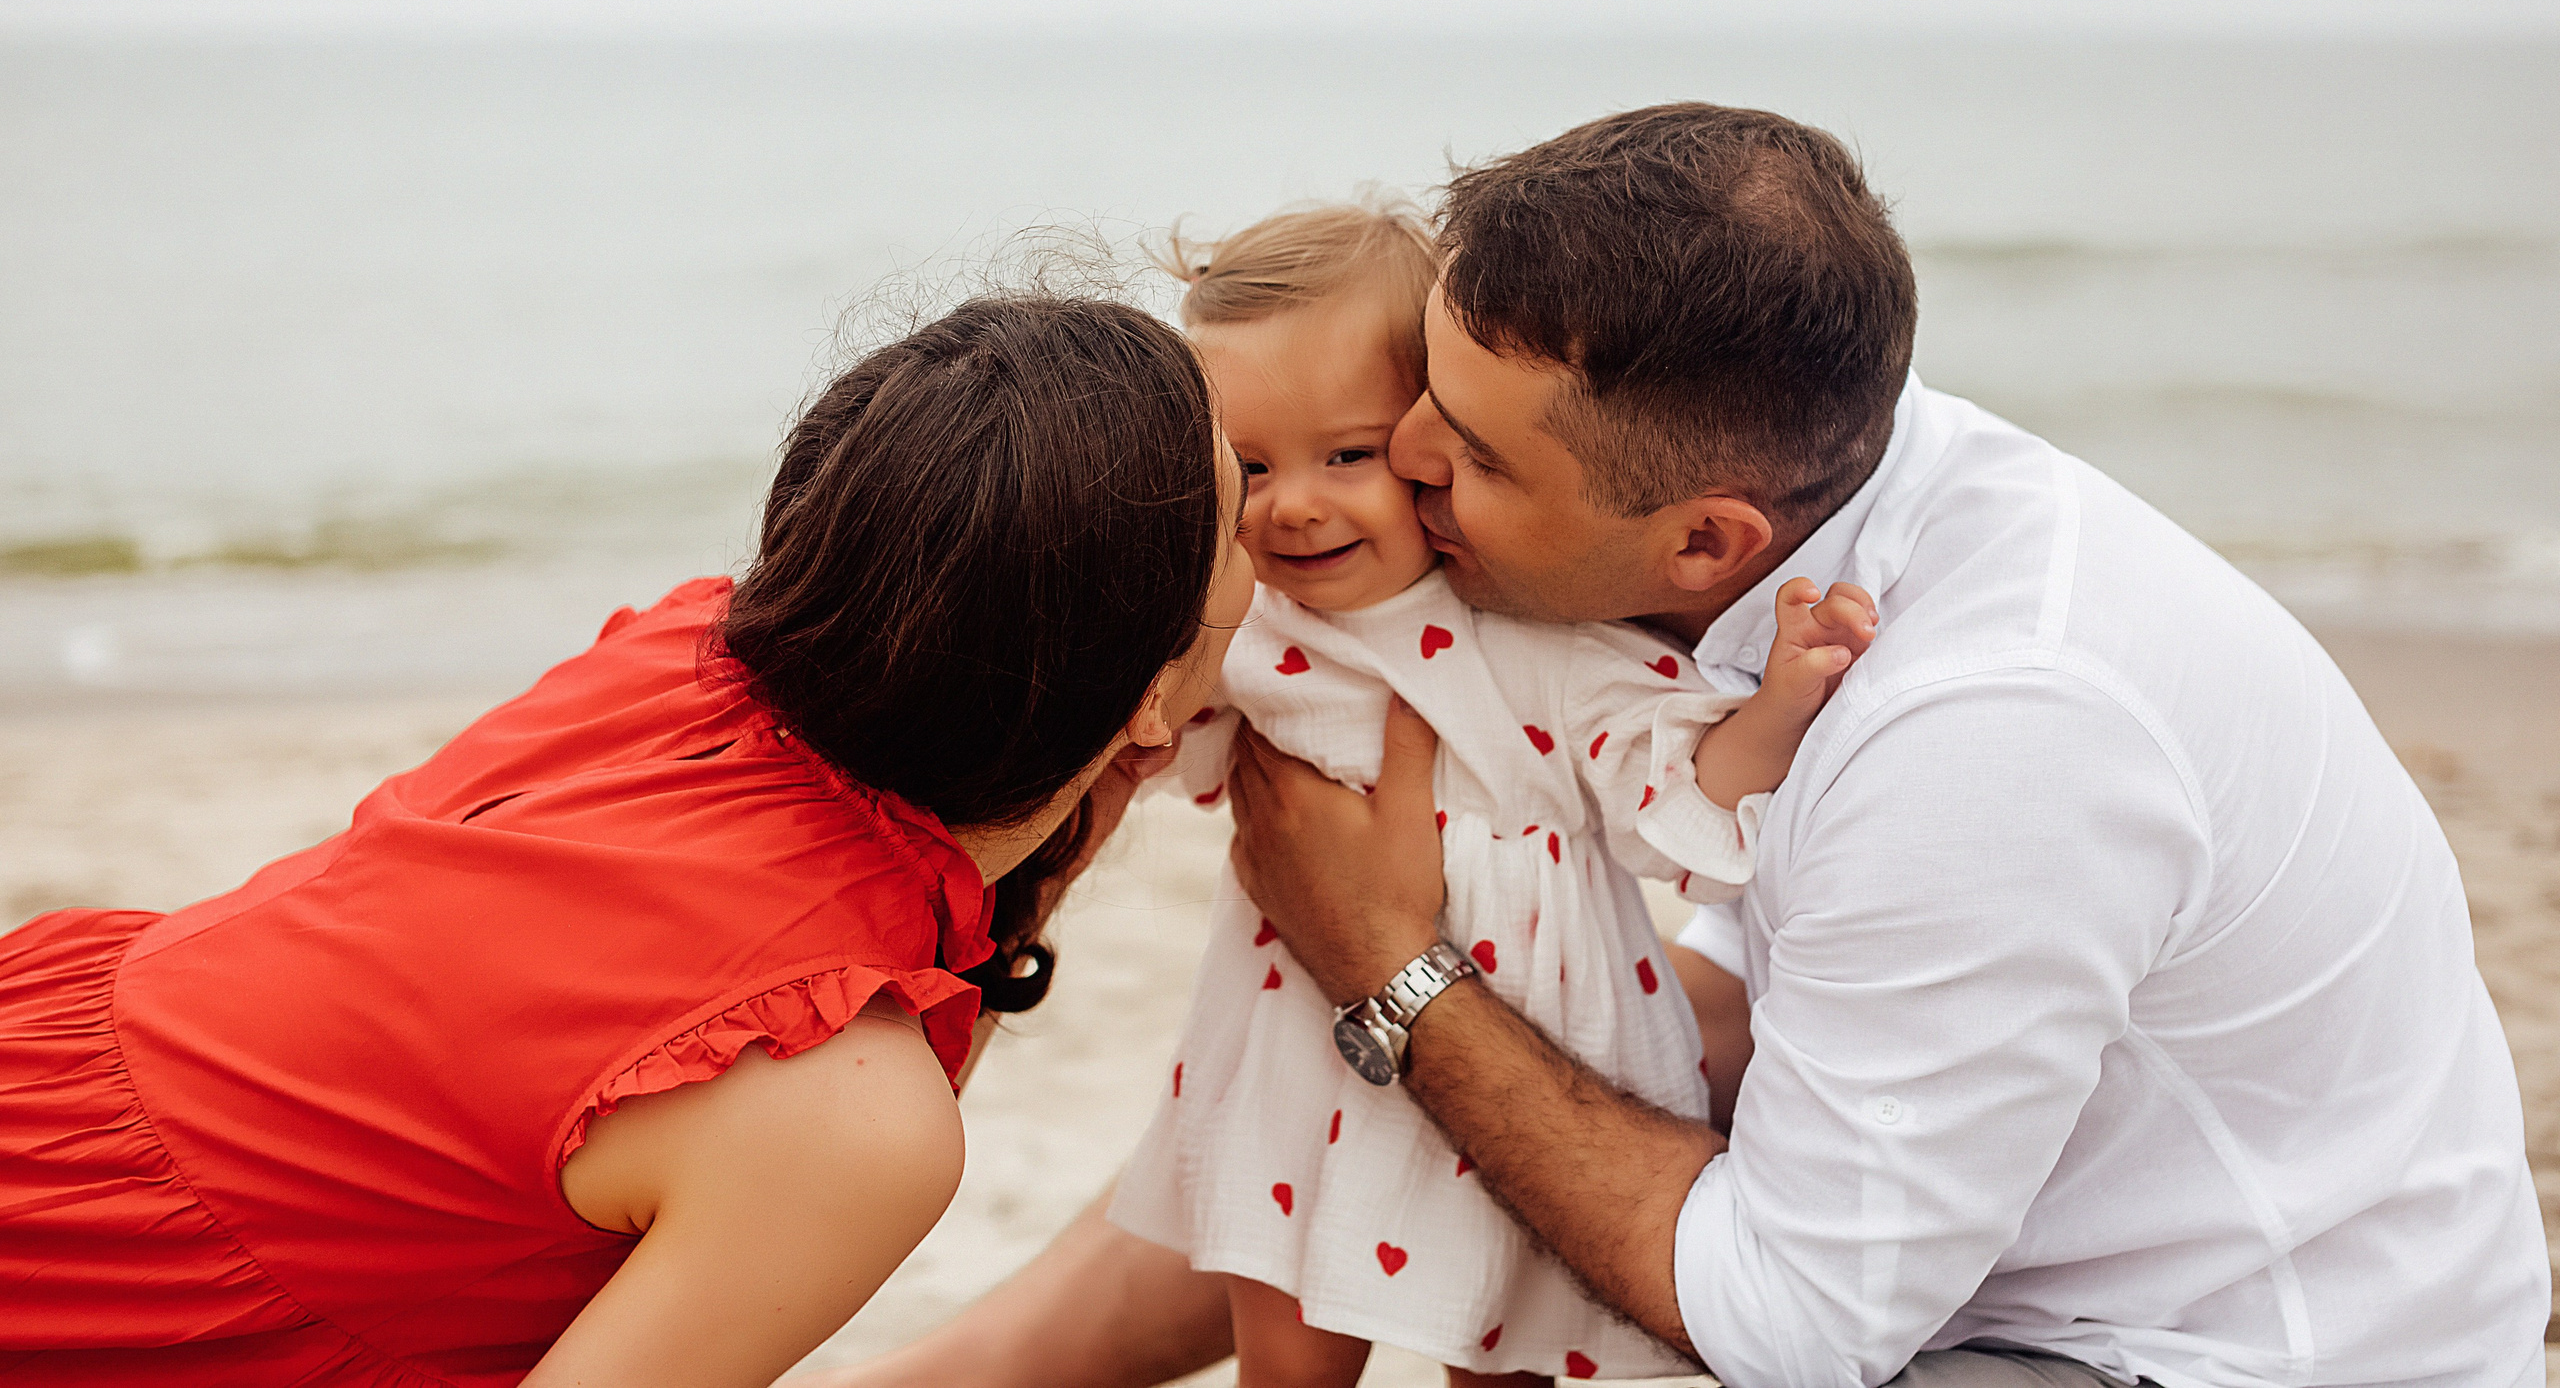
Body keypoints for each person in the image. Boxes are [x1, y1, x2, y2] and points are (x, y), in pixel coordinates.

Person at [831, 107, 2550, 1388]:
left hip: (2201, 1353)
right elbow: (1685, 1028)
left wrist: (1386, 960)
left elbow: (1789, 1320)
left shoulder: (1980, 736)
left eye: (1476, 455)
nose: (1408, 460)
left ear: (1707, 538)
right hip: (1979, 1262)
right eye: (1418, 389)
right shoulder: (1814, 503)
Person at [0, 292, 1259, 1388]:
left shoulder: (687, 647)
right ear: (1142, 695)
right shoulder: (853, 1121)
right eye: (1238, 514)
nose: (1268, 534)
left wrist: (1096, 776)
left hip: (63, 1078)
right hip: (111, 1314)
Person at [1112, 200, 1876, 1386]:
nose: (1292, 504)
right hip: (1297, 1032)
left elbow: (1666, 789)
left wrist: (1776, 704)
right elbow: (1162, 741)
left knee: (1512, 1334)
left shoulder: (1530, 634)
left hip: (1535, 1042)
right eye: (1247, 468)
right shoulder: (1251, 628)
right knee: (1286, 1345)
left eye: (1348, 455)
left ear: (1433, 444)